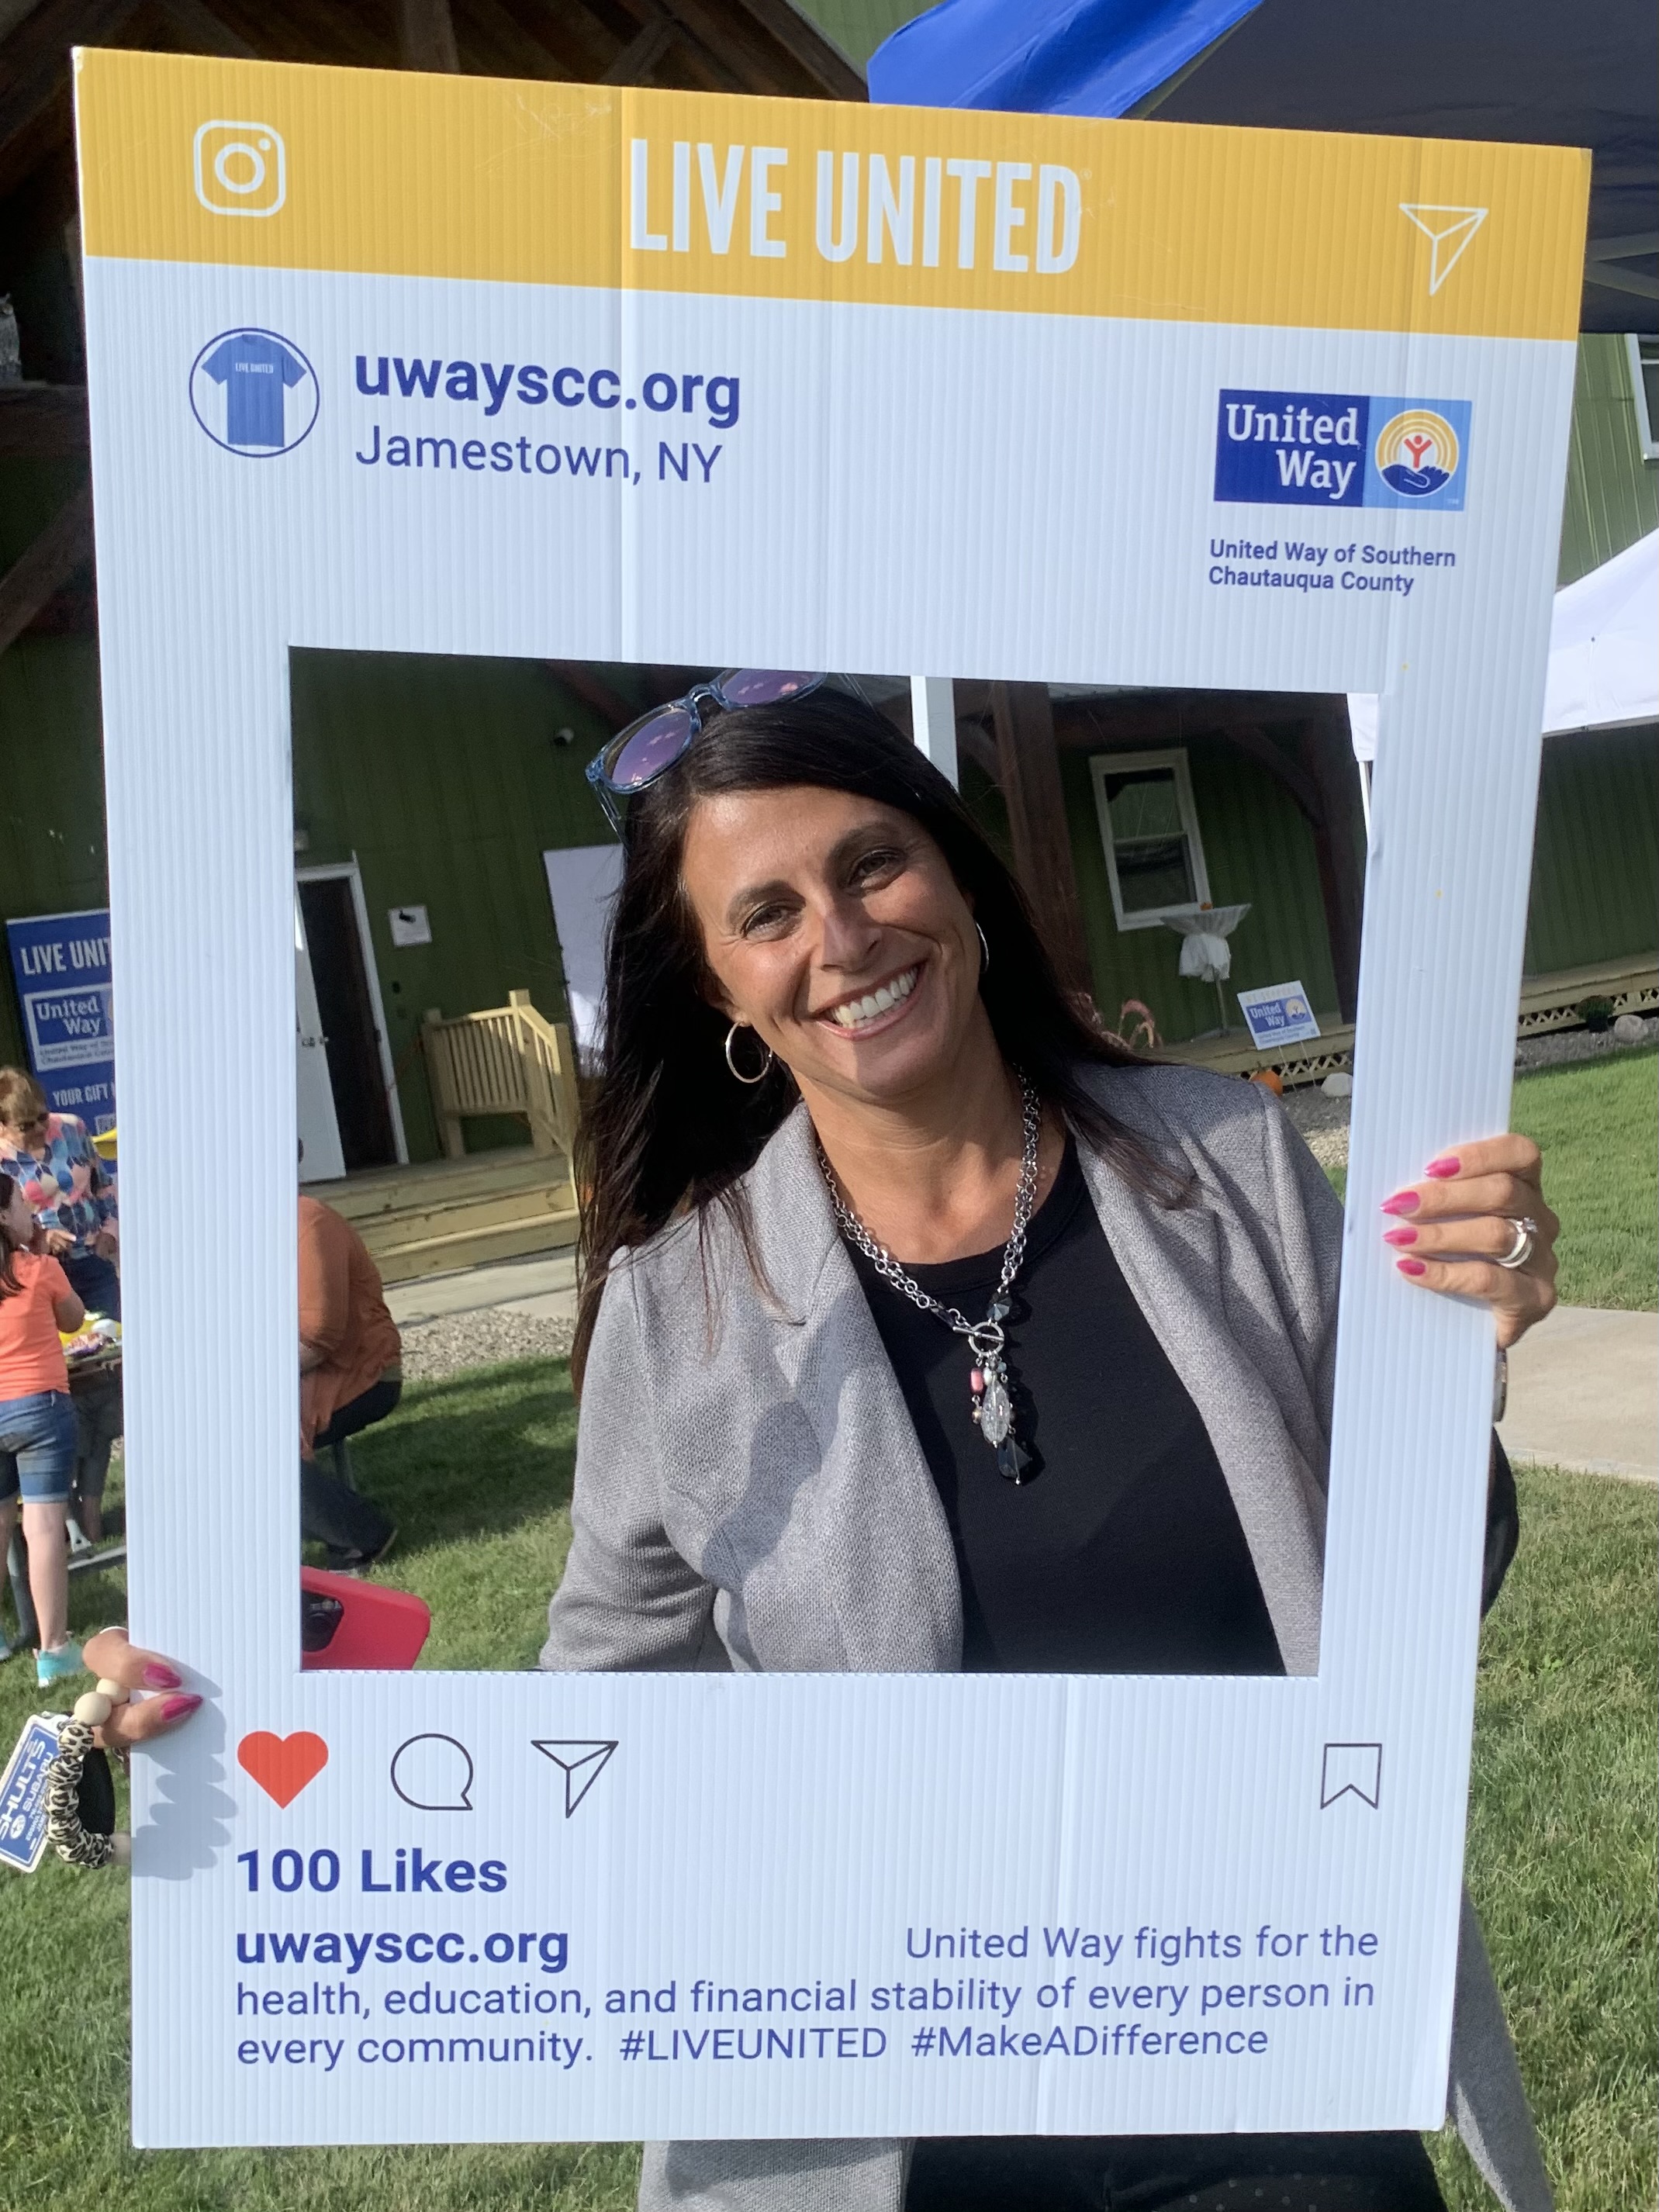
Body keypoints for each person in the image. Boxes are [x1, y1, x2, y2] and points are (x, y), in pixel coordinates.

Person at [102, 683, 1561, 2210]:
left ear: (953, 877)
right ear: (721, 988)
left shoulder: (1223, 1159)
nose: (842, 937)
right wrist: (258, 1753)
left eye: (871, 865)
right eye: (767, 912)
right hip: (871, 2128)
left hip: (1257, 2053)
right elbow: (599, 1741)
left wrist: (1460, 1354)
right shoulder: (679, 1319)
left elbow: (1423, 1583)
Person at [0, 1168, 88, 1686]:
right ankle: (53, 1650)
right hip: (40, 1406)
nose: (31, 1211)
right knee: (44, 1529)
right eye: (22, 1205)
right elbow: (75, 1320)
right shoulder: (40, 1269)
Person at [297, 1194, 401, 1571]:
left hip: (356, 1372)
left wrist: (249, 1384)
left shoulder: (308, 1222)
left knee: (245, 1442)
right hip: (300, 1372)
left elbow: (317, 1336)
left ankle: (362, 1535)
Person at [0, 1068, 120, 1321]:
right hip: (38, 1269)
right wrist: (41, 1235)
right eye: (25, 1126)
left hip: (92, 1258)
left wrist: (110, 1232)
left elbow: (103, 1185)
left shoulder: (71, 1128)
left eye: (42, 1117)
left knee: (113, 1340)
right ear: (3, 1126)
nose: (39, 1129)